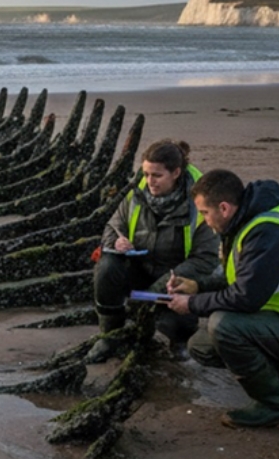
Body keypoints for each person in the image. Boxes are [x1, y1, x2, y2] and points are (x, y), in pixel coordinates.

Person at [166, 169, 279, 428]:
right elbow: (244, 280)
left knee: (224, 326)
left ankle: (272, 407)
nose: (205, 221)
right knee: (202, 346)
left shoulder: (266, 233)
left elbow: (246, 298)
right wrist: (197, 286)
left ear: (224, 208)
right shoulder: (246, 223)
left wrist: (191, 304)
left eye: (205, 213)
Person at [89, 139, 219, 362]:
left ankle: (180, 341)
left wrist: (154, 291)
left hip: (176, 279)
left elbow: (204, 260)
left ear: (176, 173)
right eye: (146, 174)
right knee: (107, 266)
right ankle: (109, 336)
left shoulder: (200, 206)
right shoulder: (136, 193)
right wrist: (116, 242)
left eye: (157, 175)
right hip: (140, 269)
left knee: (175, 324)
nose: (150, 181)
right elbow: (112, 227)